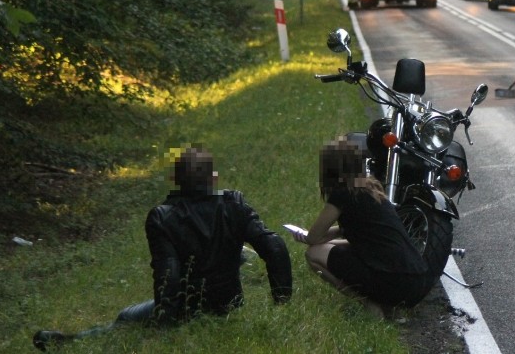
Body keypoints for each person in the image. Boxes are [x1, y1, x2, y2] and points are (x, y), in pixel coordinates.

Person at [32, 146, 292, 351]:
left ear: (176, 181)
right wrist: (281, 300)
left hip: (188, 308)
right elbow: (274, 245)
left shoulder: (163, 217)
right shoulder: (233, 204)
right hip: (230, 303)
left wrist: (165, 324)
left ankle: (70, 342)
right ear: (213, 178)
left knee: (125, 318)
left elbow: (169, 276)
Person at [288, 136, 432, 317]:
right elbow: (360, 238)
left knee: (313, 253)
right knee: (333, 247)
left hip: (394, 283)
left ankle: (368, 304)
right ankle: (388, 306)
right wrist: (338, 232)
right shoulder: (372, 190)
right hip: (418, 282)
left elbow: (313, 239)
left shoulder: (342, 193)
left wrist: (307, 236)